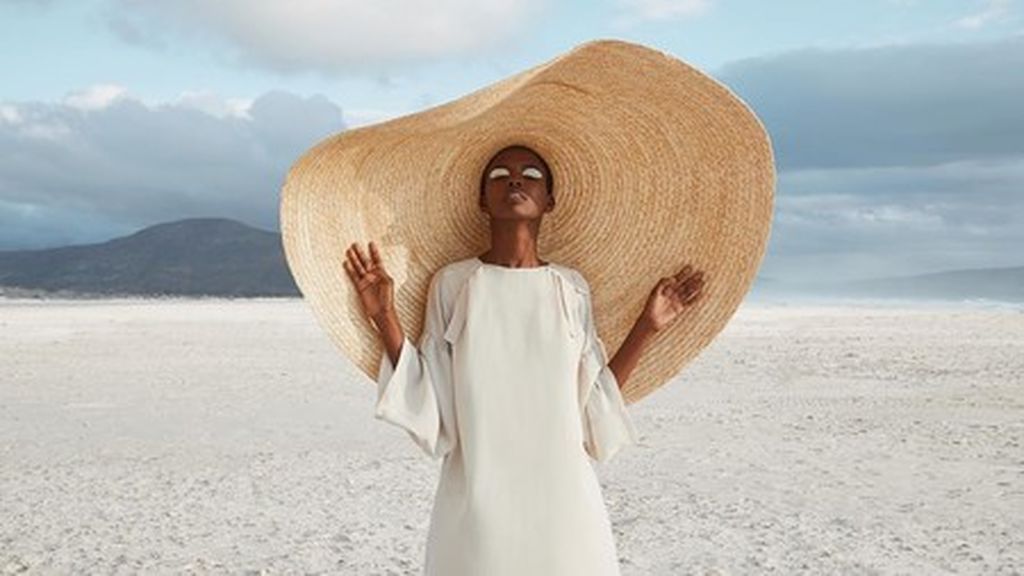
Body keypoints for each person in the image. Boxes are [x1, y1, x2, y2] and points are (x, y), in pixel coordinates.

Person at [342, 144, 706, 575]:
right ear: (481, 200)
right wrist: (384, 316)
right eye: (498, 175)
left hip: (565, 506)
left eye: (531, 173)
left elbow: (590, 406)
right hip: (476, 505)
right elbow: (434, 409)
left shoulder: (571, 288)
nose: (514, 180)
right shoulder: (453, 284)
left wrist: (647, 326)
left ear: (550, 200)